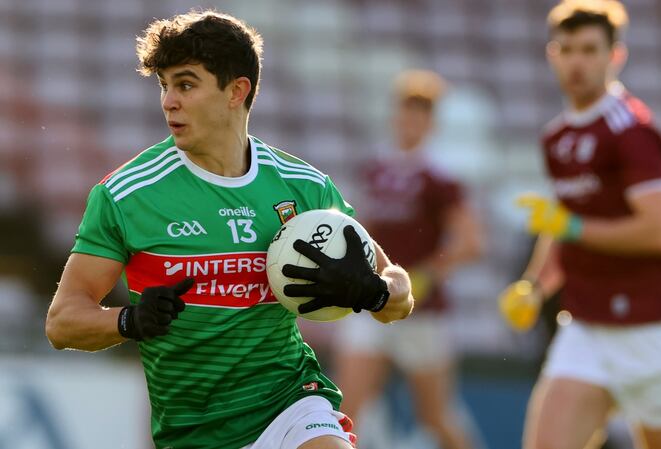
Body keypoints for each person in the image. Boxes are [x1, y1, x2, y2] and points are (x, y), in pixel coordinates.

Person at [44, 10, 413, 449]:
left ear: (236, 90)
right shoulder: (126, 195)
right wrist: (129, 320)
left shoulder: (305, 187)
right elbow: (62, 321)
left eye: (185, 84)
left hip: (290, 404)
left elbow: (399, 295)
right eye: (164, 85)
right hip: (193, 430)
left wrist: (372, 291)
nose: (168, 101)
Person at [498, 1, 661, 448]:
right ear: (552, 54)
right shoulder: (557, 137)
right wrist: (535, 285)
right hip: (587, 327)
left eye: (590, 50)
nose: (577, 62)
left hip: (653, 329)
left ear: (615, 56)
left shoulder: (632, 130)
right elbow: (561, 222)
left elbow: (658, 231)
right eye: (567, 49)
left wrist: (572, 228)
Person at [333, 69, 483, 449]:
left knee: (434, 417)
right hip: (370, 302)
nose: (408, 123)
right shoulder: (378, 169)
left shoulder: (439, 177)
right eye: (404, 113)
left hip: (421, 310)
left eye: (418, 116)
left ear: (430, 123)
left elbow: (471, 241)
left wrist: (428, 274)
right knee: (347, 409)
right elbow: (361, 230)